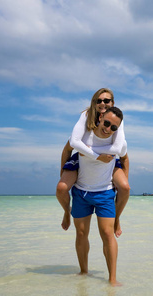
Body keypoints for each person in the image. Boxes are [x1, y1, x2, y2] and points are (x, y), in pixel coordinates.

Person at [56, 88, 130, 237]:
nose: (103, 103)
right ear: (94, 103)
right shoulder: (87, 115)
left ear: (113, 102)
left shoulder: (117, 119)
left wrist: (91, 151)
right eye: (99, 100)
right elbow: (71, 145)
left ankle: (117, 218)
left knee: (124, 187)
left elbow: (118, 149)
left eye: (106, 100)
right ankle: (66, 212)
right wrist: (63, 173)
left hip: (107, 158)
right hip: (83, 159)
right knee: (62, 188)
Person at [71, 107, 127, 286]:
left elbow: (123, 154)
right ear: (100, 117)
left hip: (104, 192)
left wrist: (124, 178)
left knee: (107, 234)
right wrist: (95, 155)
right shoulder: (85, 137)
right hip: (81, 191)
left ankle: (112, 279)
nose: (108, 129)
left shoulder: (116, 142)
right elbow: (72, 143)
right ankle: (83, 272)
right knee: (81, 233)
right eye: (107, 123)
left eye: (114, 127)